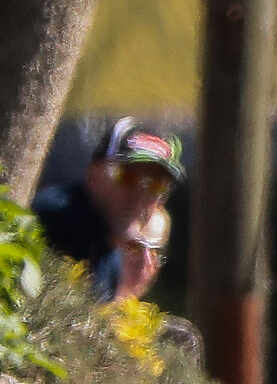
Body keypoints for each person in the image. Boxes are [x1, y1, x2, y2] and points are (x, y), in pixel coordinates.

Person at [32, 119, 183, 302]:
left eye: (157, 185)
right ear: (93, 173)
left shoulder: (111, 260)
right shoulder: (55, 219)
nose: (141, 195)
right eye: (128, 177)